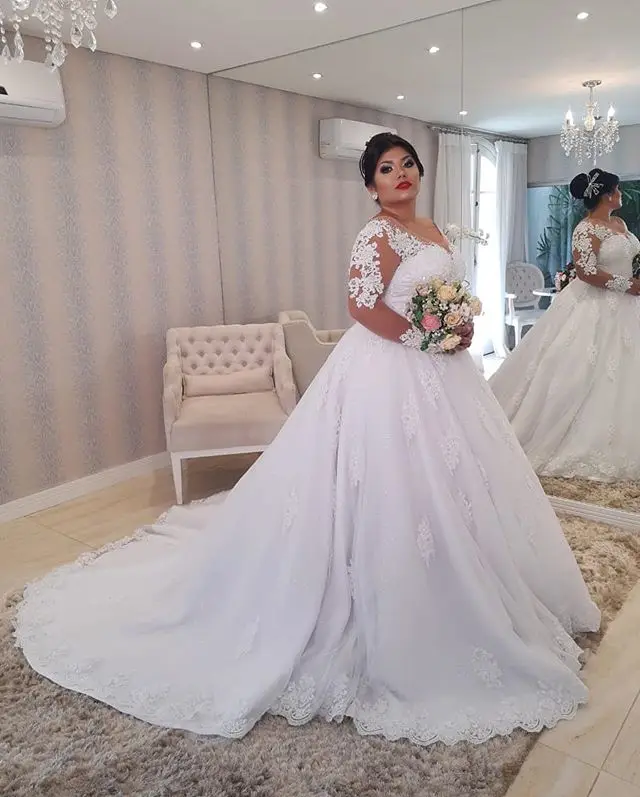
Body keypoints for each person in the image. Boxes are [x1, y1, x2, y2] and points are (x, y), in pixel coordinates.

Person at [14, 134, 599, 748]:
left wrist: (460, 325)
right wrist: (427, 336)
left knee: (456, 480)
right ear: (370, 185)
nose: (400, 174)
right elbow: (363, 309)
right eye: (386, 169)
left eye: (407, 164)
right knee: (389, 480)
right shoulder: (374, 236)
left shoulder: (432, 229)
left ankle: (467, 580)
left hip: (445, 371)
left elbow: (448, 296)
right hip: (389, 368)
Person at [490, 168, 640, 481]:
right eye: (616, 190)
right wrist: (626, 284)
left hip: (628, 305)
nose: (620, 194)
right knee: (581, 369)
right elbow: (586, 272)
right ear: (605, 195)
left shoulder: (620, 224)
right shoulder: (586, 229)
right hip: (596, 305)